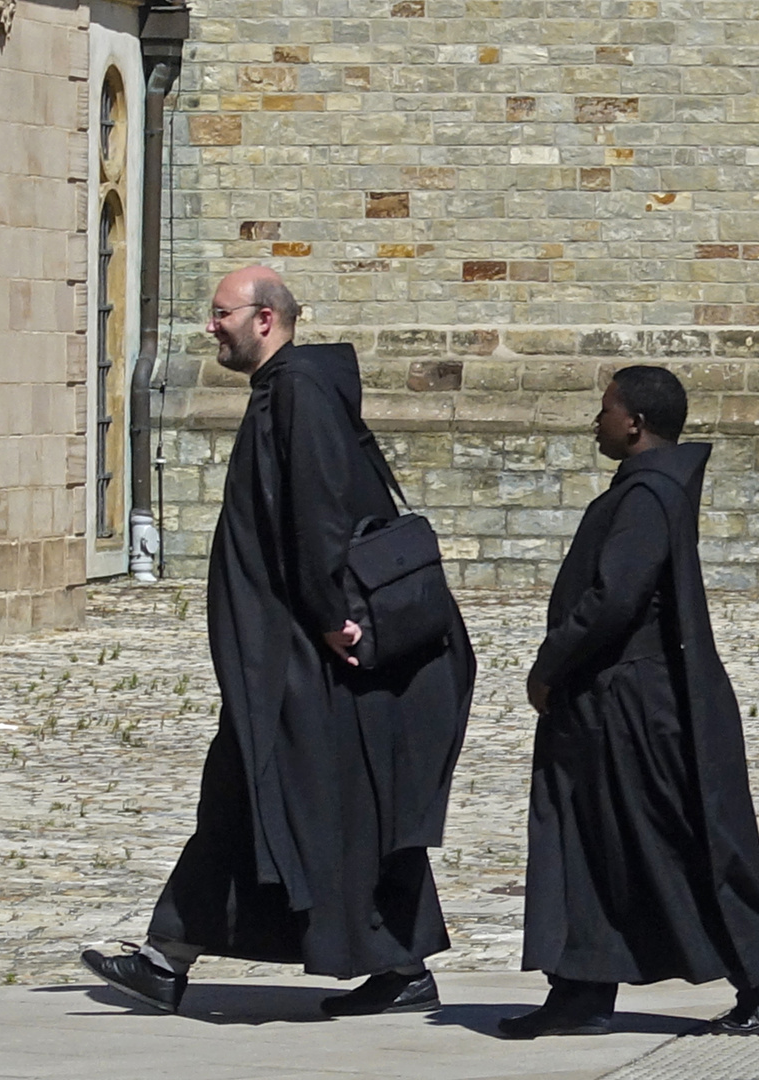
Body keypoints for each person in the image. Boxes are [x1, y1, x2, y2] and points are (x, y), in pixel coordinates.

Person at [81, 266, 473, 1017]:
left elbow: (316, 513)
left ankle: (176, 959)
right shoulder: (287, 390)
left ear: (265, 320)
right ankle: (184, 957)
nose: (210, 326)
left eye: (220, 313)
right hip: (286, 651)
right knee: (286, 797)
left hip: (305, 653)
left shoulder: (298, 391)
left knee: (293, 795)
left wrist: (330, 615)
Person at [502, 365, 759, 1039]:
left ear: (635, 422)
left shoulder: (648, 496)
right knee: (595, 841)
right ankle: (581, 988)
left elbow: (615, 599)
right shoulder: (643, 488)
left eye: (605, 409)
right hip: (604, 705)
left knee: (666, 842)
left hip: (632, 705)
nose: (597, 420)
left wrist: (550, 664)